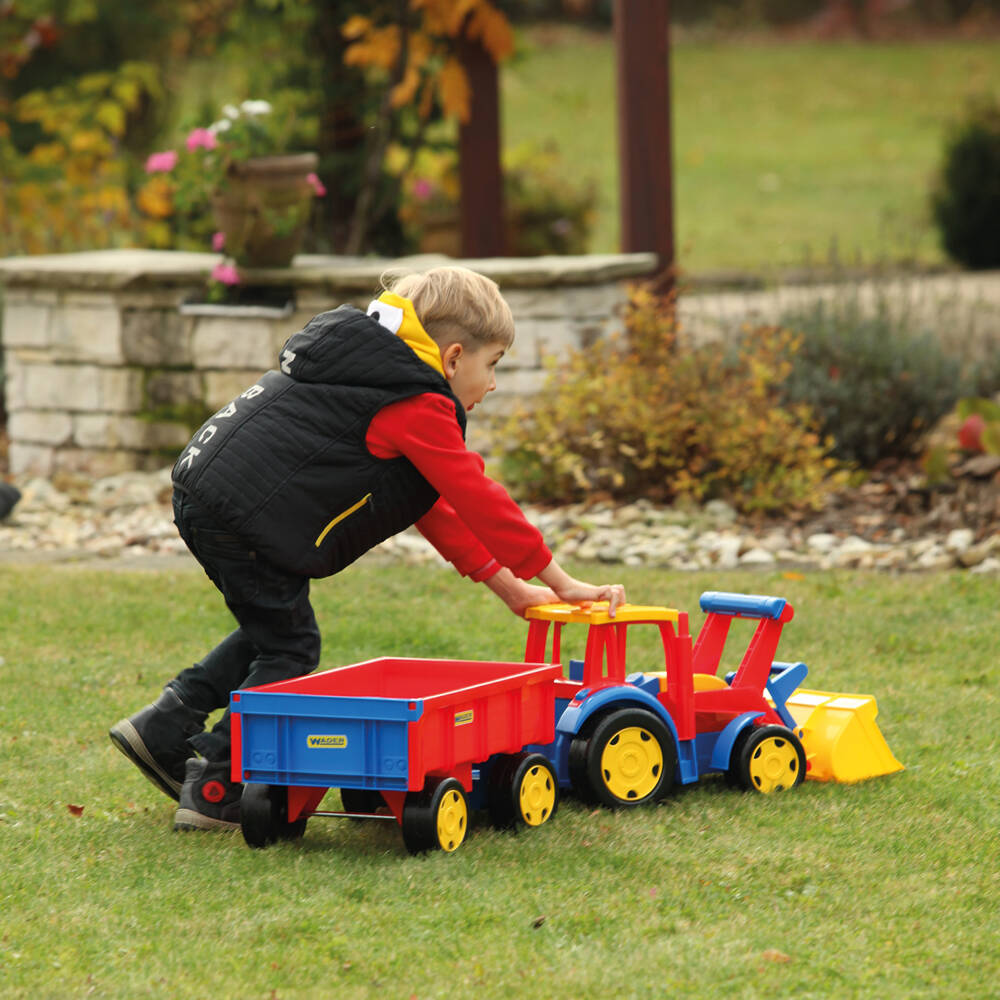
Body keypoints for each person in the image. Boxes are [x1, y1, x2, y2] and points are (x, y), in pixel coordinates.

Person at [109, 265, 626, 832]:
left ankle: (166, 724)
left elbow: (430, 505)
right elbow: (477, 497)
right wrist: (559, 580)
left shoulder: (371, 374)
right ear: (453, 358)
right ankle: (217, 783)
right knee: (291, 649)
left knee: (274, 627)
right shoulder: (417, 401)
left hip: (209, 493)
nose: (493, 384)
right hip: (242, 513)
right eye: (493, 365)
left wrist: (510, 589)